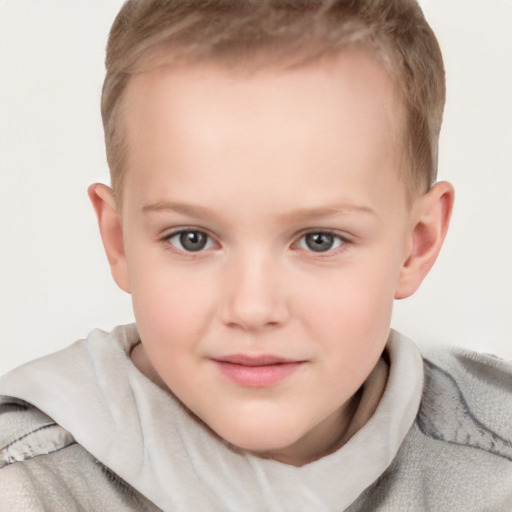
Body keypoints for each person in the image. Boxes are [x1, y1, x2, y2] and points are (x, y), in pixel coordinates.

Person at [0, 0, 510, 510]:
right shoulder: (24, 487)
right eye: (192, 239)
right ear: (119, 240)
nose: (252, 308)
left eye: (319, 240)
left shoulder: (495, 471)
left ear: (415, 244)